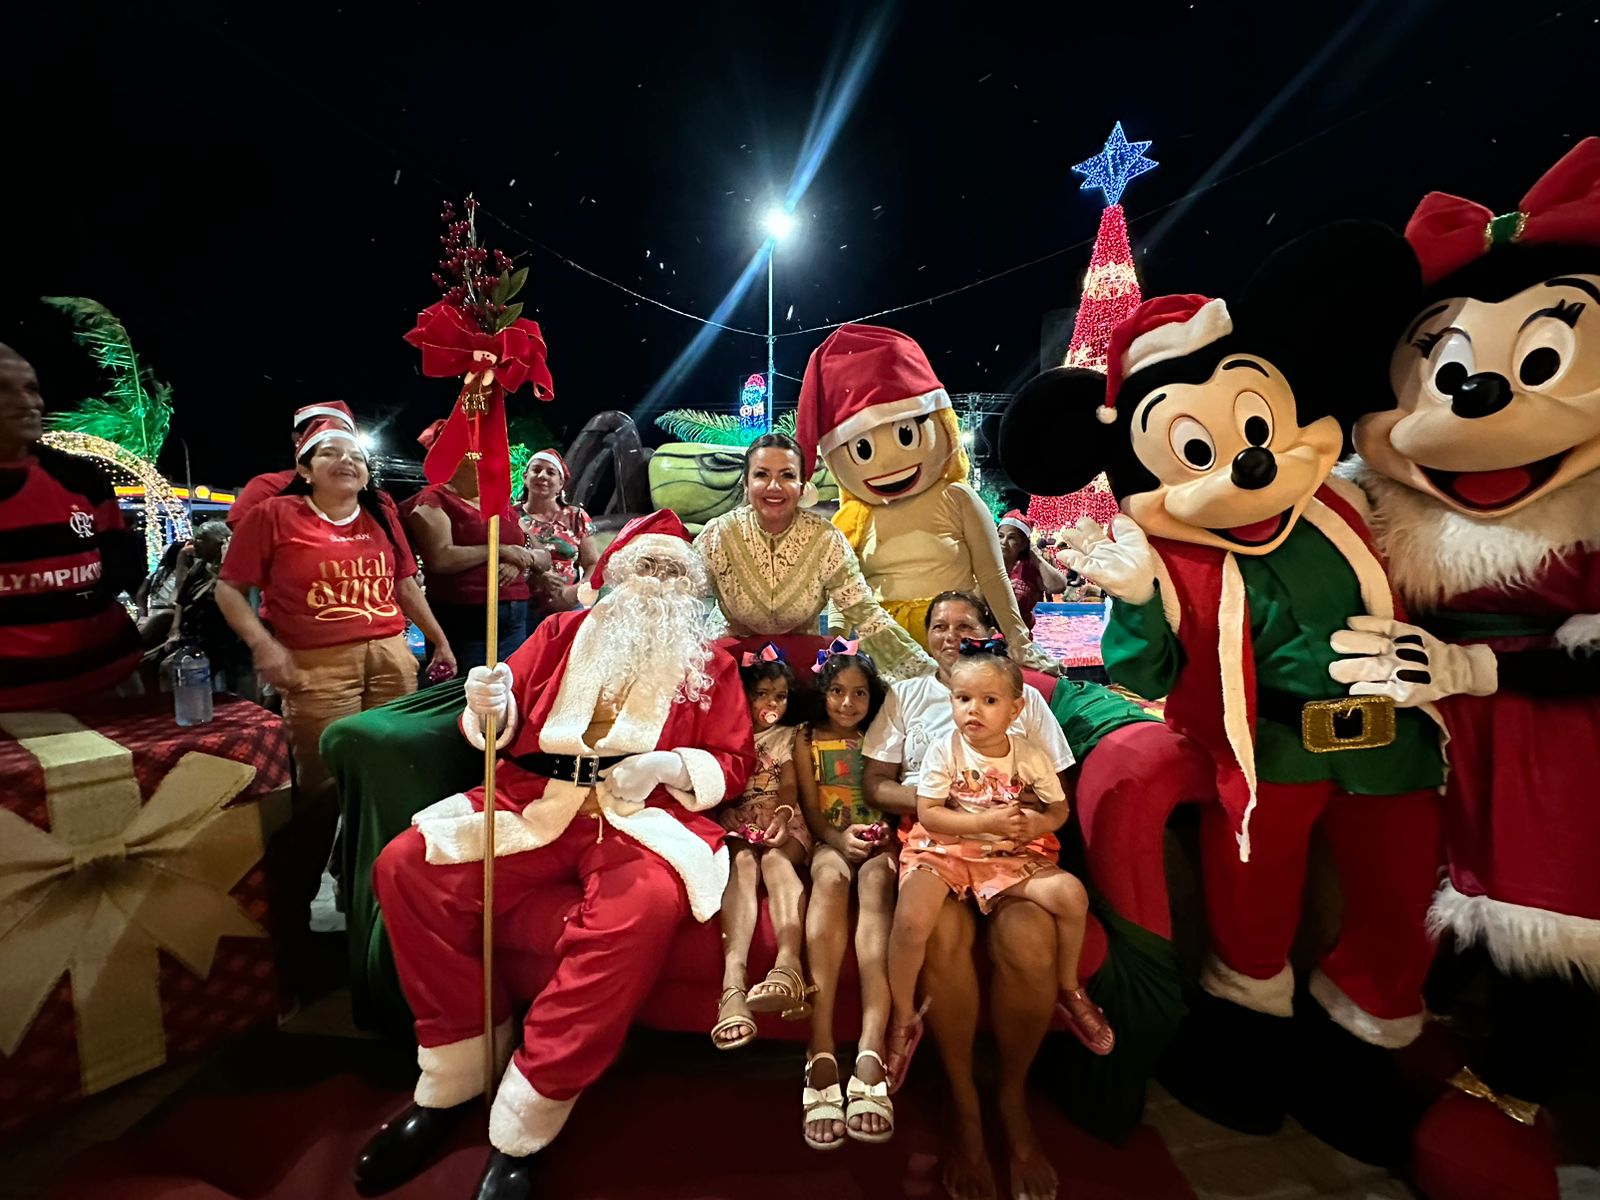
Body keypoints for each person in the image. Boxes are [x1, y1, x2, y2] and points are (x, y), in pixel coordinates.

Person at [353, 511, 756, 1200]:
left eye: (671, 571)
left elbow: (733, 763)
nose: (656, 582)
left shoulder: (710, 661)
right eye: (645, 566)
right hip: (534, 800)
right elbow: (499, 719)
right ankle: (456, 1071)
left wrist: (666, 764)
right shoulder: (559, 632)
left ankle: (529, 1112)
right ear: (614, 573)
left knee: (641, 910)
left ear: (691, 589)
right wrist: (485, 705)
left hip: (641, 817)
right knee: (405, 865)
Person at [860, 591, 1075, 1200]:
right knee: (942, 940)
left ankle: (1011, 1100)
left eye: (965, 625)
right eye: (939, 626)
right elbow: (877, 784)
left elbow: (1053, 787)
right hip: (936, 843)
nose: (951, 634)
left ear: (986, 632)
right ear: (925, 636)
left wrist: (1014, 817)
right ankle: (967, 1112)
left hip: (1009, 847)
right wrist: (947, 806)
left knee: (1031, 941)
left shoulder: (1021, 696)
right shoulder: (905, 694)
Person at [217, 415, 453, 952]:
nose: (347, 462)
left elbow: (404, 584)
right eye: (330, 454)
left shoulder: (380, 514)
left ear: (368, 474)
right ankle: (291, 920)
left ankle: (368, 901)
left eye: (357, 456)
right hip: (318, 666)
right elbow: (230, 590)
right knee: (321, 794)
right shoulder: (275, 515)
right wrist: (264, 645)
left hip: (391, 659)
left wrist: (437, 639)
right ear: (305, 468)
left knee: (383, 780)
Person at [887, 640, 1114, 1078]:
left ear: (1015, 710)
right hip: (945, 847)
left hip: (1004, 855)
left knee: (1071, 895)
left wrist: (1038, 825)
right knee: (912, 921)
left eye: (989, 701)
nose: (973, 710)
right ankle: (902, 1017)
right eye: (963, 699)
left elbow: (1059, 808)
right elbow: (930, 815)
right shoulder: (943, 750)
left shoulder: (1029, 756)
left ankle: (1070, 989)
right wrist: (982, 822)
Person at [693, 431, 934, 682]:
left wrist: (927, 673)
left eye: (787, 475)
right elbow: (684, 596)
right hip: (729, 667)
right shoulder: (719, 535)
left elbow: (865, 613)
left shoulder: (825, 539)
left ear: (802, 485)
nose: (774, 486)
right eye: (762, 474)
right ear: (746, 482)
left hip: (801, 670)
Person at [0, 344, 145, 710]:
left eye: (32, 388)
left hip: (109, 684)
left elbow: (121, 570)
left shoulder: (81, 478)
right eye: (3, 389)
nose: (27, 403)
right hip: (14, 710)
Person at [795, 643, 897, 1150]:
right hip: (829, 841)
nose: (848, 703)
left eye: (859, 693)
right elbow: (812, 810)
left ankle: (871, 1047)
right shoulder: (806, 738)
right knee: (830, 878)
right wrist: (836, 841)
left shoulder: (878, 736)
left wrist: (879, 838)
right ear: (823, 692)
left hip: (878, 841)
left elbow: (890, 793)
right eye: (837, 691)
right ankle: (820, 1047)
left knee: (877, 885)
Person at [710, 642, 812, 1051]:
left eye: (781, 696)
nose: (773, 703)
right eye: (763, 694)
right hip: (741, 826)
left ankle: (789, 966)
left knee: (772, 861)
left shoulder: (789, 736)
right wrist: (725, 816)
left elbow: (790, 783)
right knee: (744, 866)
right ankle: (732, 984)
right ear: (744, 694)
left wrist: (783, 815)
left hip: (787, 822)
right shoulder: (725, 734)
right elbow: (718, 790)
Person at [404, 420, 542, 666]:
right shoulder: (433, 502)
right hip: (464, 616)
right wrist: (499, 551)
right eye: (478, 456)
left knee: (510, 687)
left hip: (515, 616)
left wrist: (521, 559)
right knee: (466, 692)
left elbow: (542, 555)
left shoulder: (501, 506)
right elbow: (441, 558)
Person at [164, 521, 253, 694]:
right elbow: (181, 600)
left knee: (171, 667)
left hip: (223, 639)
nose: (194, 542)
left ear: (218, 543)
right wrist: (175, 629)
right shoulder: (198, 567)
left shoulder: (234, 568)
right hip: (195, 634)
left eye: (201, 539)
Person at [518, 448, 595, 614]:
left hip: (567, 606)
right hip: (521, 609)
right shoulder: (511, 517)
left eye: (550, 472)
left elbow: (593, 564)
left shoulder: (576, 517)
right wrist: (534, 578)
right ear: (525, 478)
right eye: (536, 470)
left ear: (560, 484)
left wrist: (573, 594)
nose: (542, 476)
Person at [997, 510, 1066, 629]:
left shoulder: (1030, 569)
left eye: (1011, 537)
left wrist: (1034, 555)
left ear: (1023, 543)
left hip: (1020, 639)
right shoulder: (987, 563)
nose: (1003, 542)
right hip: (987, 638)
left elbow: (1059, 586)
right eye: (1000, 536)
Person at [134, 536, 188, 645]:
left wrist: (143, 616)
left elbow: (141, 594)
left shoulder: (158, 572)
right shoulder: (181, 573)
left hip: (152, 613)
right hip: (168, 616)